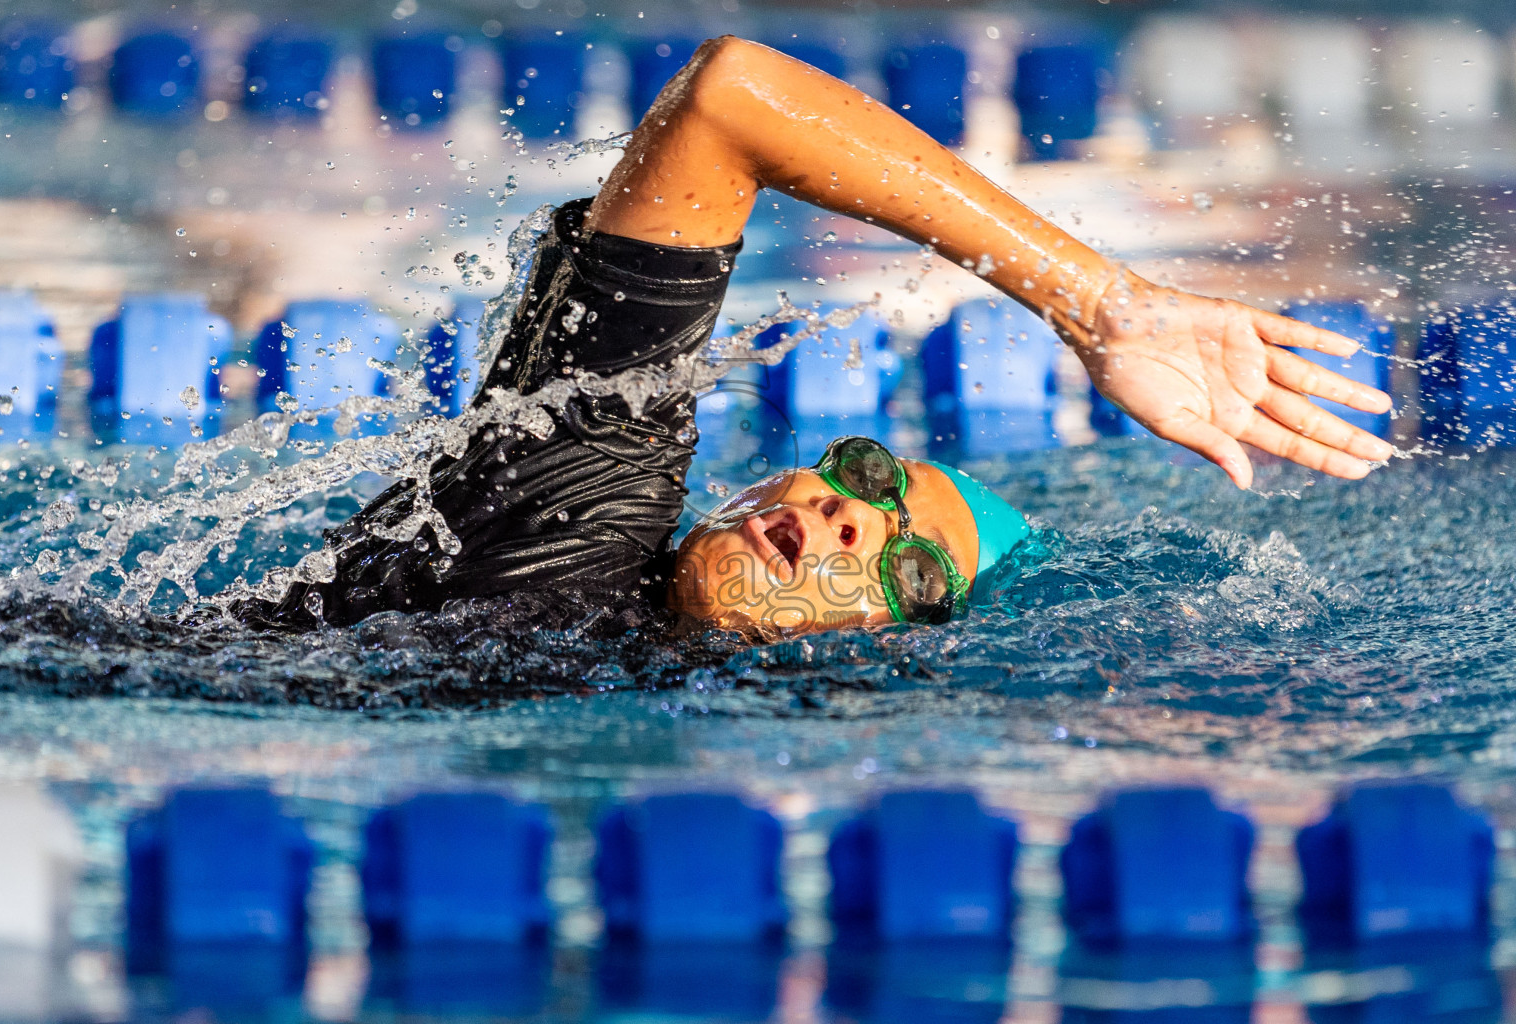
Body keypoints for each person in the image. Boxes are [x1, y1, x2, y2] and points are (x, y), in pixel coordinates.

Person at [235, 36, 1393, 640]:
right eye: (872, 475)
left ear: (886, 651)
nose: (853, 514)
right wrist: (1103, 306)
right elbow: (732, 99)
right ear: (768, 482)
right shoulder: (578, 509)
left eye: (911, 563)